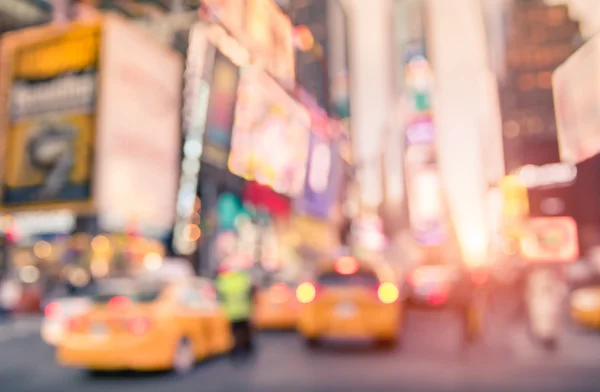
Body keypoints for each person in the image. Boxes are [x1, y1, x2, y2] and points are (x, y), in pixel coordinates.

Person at [215, 262, 256, 357]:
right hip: (243, 310)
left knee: (234, 331)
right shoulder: (244, 278)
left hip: (231, 311)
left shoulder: (224, 280)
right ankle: (246, 347)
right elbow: (250, 293)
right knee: (244, 330)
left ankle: (236, 348)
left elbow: (220, 295)